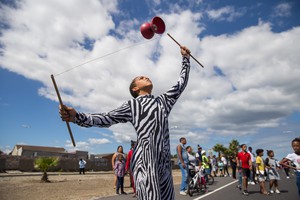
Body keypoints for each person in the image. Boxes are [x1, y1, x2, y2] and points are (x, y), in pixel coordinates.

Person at [59, 46, 191, 200]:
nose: (145, 76)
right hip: (145, 165)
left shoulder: (163, 101)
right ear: (135, 88)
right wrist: (77, 117)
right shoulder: (132, 105)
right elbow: (106, 118)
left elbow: (180, 84)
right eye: (141, 77)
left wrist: (185, 59)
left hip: (164, 166)